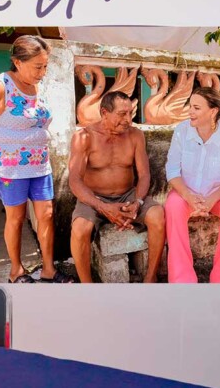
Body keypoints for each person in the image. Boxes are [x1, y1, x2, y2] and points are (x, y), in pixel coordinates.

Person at [0, 35, 72, 283]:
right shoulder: (0, 85)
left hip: (39, 163)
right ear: (17, 62)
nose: (43, 72)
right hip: (10, 169)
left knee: (46, 214)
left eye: (45, 66)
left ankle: (48, 269)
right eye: (38, 66)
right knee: (15, 217)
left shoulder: (37, 85)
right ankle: (17, 271)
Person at [68, 91, 166, 283]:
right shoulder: (84, 137)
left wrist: (137, 202)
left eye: (130, 113)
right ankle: (87, 286)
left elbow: (144, 174)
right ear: (104, 112)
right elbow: (75, 180)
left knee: (158, 215)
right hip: (94, 198)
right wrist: (102, 207)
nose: (128, 120)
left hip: (128, 196)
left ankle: (151, 277)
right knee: (80, 228)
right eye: (122, 114)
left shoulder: (136, 135)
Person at [164, 87, 220, 283]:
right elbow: (172, 170)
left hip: (217, 196)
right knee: (173, 206)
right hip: (185, 193)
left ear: (213, 111)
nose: (189, 111)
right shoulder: (181, 131)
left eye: (196, 107)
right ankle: (182, 278)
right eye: (190, 106)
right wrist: (188, 196)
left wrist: (211, 199)